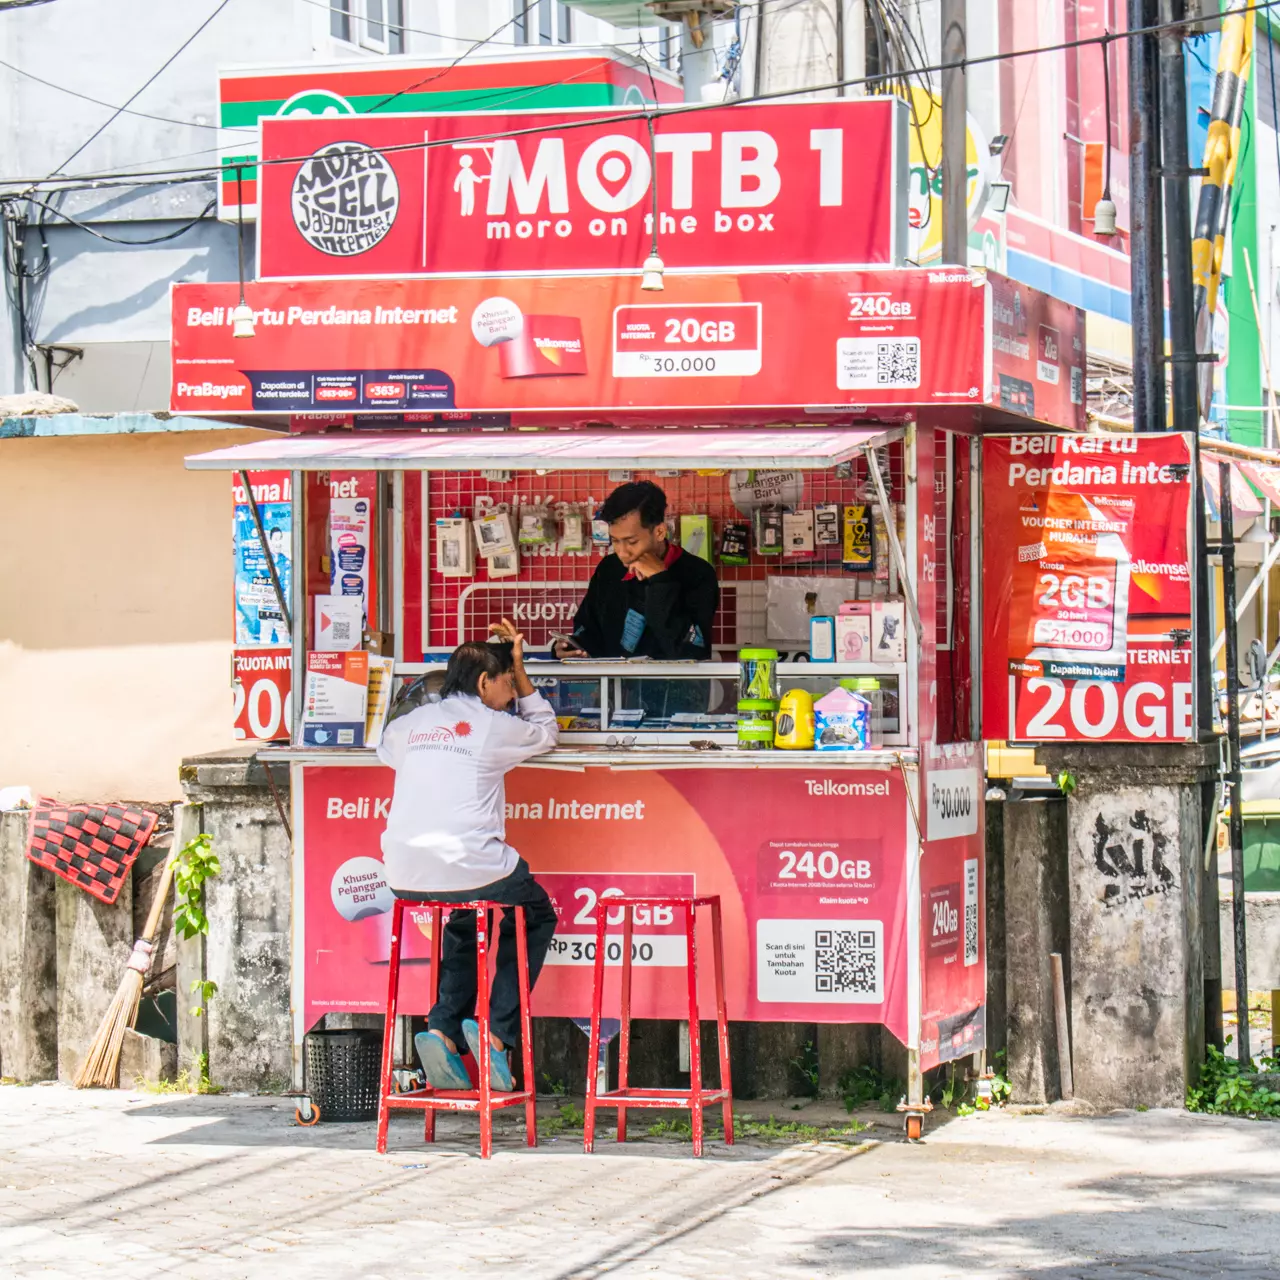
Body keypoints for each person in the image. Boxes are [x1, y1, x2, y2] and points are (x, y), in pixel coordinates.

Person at [376, 619, 559, 1091]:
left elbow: (387, 751)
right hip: (470, 863)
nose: (509, 693)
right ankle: (498, 1035)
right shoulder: (493, 727)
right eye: (504, 683)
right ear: (485, 682)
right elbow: (545, 730)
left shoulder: (412, 722)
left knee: (462, 915)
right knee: (532, 914)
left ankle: (441, 1027)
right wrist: (524, 672)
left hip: (402, 869)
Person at [554, 481, 719, 660]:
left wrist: (660, 581)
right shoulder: (609, 568)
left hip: (675, 686)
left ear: (660, 532)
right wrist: (571, 647)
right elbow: (590, 630)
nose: (622, 552)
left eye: (632, 542)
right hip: (613, 686)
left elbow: (690, 651)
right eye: (615, 541)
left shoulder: (698, 573)